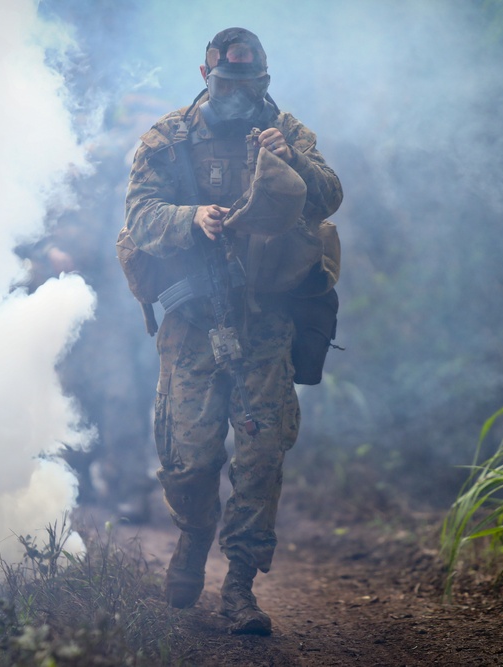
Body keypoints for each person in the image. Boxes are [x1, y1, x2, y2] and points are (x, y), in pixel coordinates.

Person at [123, 27, 343, 635]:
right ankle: (194, 536)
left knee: (260, 458)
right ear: (204, 76)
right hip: (193, 323)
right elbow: (140, 217)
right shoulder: (167, 141)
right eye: (227, 84)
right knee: (188, 460)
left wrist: (290, 157)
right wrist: (192, 216)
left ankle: (240, 587)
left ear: (264, 83)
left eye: (250, 86)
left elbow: (328, 197)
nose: (239, 96)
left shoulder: (289, 133)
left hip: (266, 322)